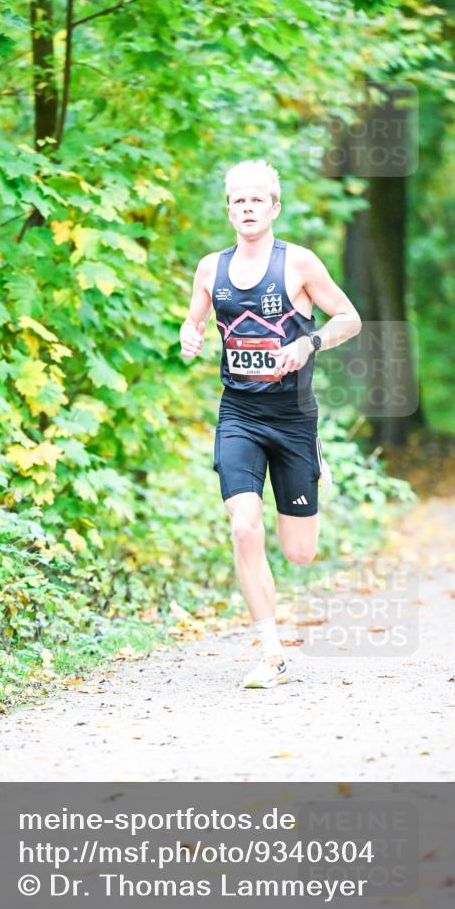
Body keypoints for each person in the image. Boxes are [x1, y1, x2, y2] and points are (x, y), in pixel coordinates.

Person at [180, 159, 362, 688]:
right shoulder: (210, 269)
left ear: (274, 207)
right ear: (228, 209)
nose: (247, 208)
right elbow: (193, 323)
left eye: (257, 199)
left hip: (294, 419)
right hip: (238, 414)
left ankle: (315, 464)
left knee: (300, 554)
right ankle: (270, 648)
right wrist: (189, 337)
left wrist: (310, 341)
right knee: (243, 525)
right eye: (238, 200)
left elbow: (349, 317)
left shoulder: (300, 264)